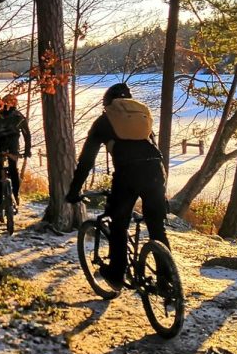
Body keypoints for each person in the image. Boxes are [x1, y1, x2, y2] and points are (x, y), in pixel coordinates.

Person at [66, 82, 170, 290]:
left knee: (119, 223)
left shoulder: (104, 121)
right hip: (156, 171)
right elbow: (153, 149)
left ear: (107, 103)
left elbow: (87, 161)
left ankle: (115, 274)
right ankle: (167, 282)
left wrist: (74, 190)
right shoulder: (142, 116)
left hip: (128, 174)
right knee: (156, 226)